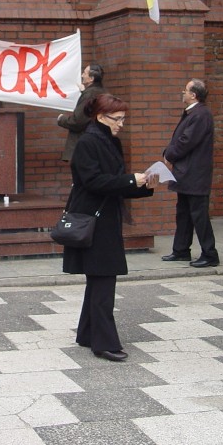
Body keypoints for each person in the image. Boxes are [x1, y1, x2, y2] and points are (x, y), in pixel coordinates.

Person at [63, 93, 159, 362]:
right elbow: (93, 182)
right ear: (100, 117)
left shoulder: (111, 142)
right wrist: (132, 181)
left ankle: (87, 333)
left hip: (105, 218)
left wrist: (143, 186)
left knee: (99, 279)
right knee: (103, 280)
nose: (121, 124)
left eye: (124, 119)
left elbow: (115, 183)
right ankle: (103, 343)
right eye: (117, 119)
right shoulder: (88, 143)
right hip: (93, 220)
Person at [161, 79, 219, 267]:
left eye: (185, 90)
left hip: (195, 174)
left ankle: (210, 254)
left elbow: (186, 141)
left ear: (193, 95)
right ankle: (181, 250)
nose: (182, 93)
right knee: (184, 213)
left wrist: (169, 154)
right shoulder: (194, 113)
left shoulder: (200, 115)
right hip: (187, 173)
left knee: (199, 215)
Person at [56, 64, 105, 162]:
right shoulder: (101, 92)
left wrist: (61, 119)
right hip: (95, 143)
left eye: (84, 73)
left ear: (91, 78)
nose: (82, 75)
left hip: (83, 145)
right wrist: (84, 92)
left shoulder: (89, 94)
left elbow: (78, 121)